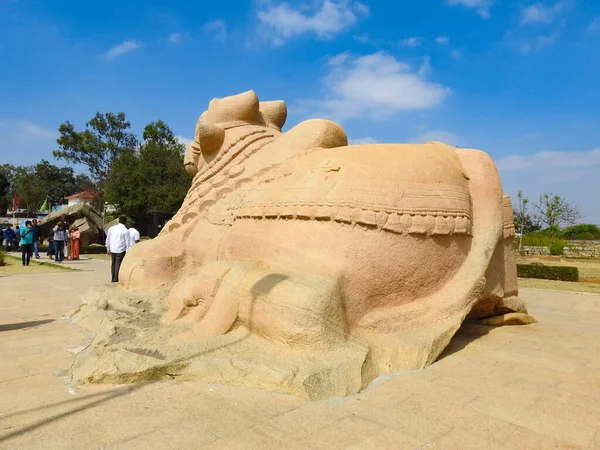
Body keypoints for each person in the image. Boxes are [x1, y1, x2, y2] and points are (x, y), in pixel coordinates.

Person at [106, 216, 129, 283]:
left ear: (118, 221)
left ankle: (113, 277)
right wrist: (127, 250)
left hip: (113, 248)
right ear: (125, 222)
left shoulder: (111, 228)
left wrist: (108, 248)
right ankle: (116, 278)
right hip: (121, 248)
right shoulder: (125, 230)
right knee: (118, 263)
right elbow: (127, 242)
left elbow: (108, 239)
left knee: (113, 263)